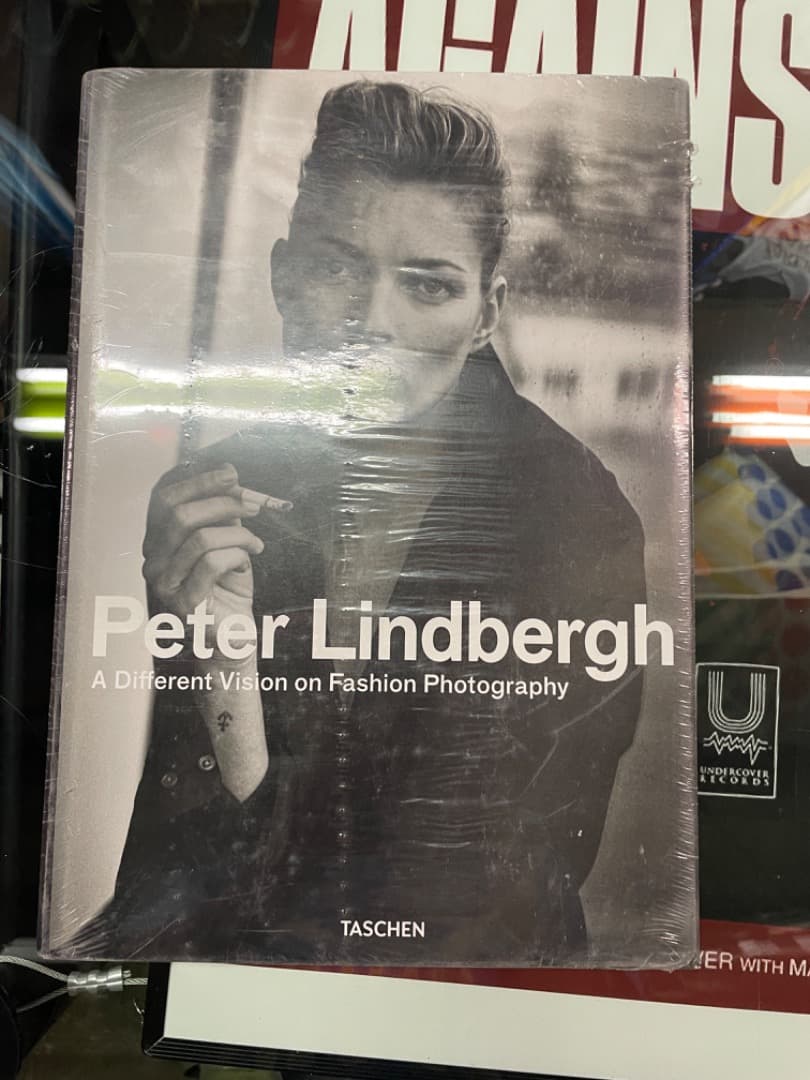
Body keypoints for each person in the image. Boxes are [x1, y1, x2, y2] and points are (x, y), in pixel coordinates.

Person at [78, 80, 646, 964]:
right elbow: (175, 844)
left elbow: (483, 879)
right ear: (283, 276)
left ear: (486, 312)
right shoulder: (216, 492)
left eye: (428, 286)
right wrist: (219, 665)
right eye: (337, 268)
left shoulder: (575, 513)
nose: (371, 323)